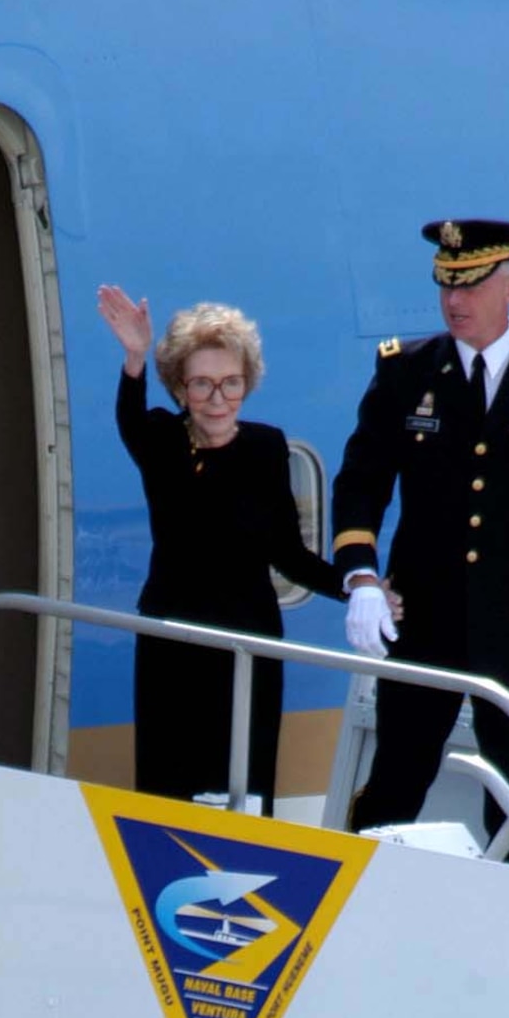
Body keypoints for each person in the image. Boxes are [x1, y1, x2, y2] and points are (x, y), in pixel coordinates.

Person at [333, 219, 509, 856]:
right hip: (423, 616)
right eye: (445, 285)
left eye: (469, 285)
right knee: (395, 783)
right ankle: (359, 911)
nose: (453, 301)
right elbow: (359, 485)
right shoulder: (405, 373)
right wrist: (359, 578)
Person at [99, 286, 345, 812]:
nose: (217, 399)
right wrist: (135, 356)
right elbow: (128, 419)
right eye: (203, 384)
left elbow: (289, 555)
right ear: (180, 388)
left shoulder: (266, 446)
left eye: (230, 384)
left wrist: (358, 587)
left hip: (249, 644)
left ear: (247, 383)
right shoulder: (162, 440)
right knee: (170, 789)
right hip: (175, 642)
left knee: (246, 789)